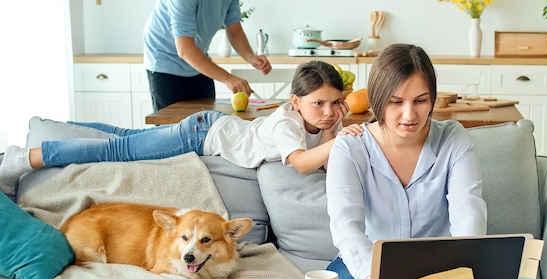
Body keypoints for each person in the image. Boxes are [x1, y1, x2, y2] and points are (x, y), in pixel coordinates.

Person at [0, 60, 363, 196]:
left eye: (335, 103)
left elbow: (325, 160)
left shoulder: (322, 119)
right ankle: (24, 157)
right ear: (296, 101)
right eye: (319, 104)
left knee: (126, 137)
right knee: (118, 151)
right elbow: (302, 162)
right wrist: (341, 137)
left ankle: (58, 128)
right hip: (202, 134)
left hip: (212, 125)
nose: (328, 111)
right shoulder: (287, 122)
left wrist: (335, 127)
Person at [325, 44, 488, 279]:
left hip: (439, 265)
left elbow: (469, 215)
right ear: (378, 99)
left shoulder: (454, 140)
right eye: (396, 102)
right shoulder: (350, 148)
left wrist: (455, 276)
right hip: (369, 266)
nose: (409, 115)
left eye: (420, 101)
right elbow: (345, 224)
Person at [143, 0, 272, 110]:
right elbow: (184, 48)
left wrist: (251, 57)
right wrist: (228, 78)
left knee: (206, 124)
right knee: (171, 131)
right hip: (165, 62)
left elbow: (235, 31)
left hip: (197, 60)